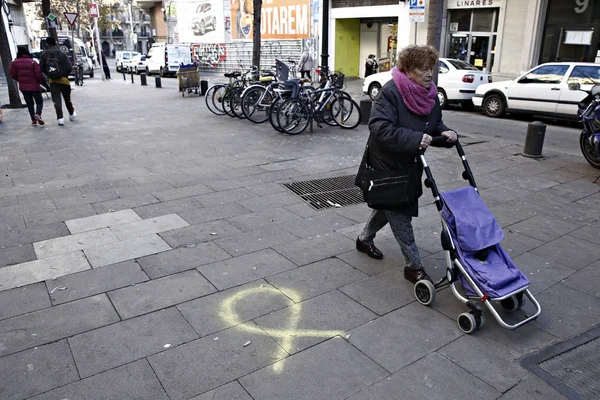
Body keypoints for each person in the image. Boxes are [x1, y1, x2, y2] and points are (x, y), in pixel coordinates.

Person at [355, 45, 457, 284]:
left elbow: (434, 126)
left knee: (388, 206)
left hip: (410, 164)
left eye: (431, 68)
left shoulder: (430, 96)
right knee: (399, 212)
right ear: (408, 70)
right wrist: (414, 139)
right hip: (386, 165)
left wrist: (447, 134)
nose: (429, 74)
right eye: (423, 69)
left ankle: (364, 239)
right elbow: (379, 127)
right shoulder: (391, 92)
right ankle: (413, 266)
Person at [39, 37, 76, 126]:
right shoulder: (62, 54)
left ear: (47, 44)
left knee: (56, 100)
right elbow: (69, 67)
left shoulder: (44, 55)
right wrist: (64, 75)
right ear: (55, 43)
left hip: (53, 81)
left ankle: (60, 118)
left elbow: (41, 68)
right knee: (67, 98)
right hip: (64, 80)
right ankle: (71, 114)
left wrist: (50, 75)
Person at [9, 47, 46, 126]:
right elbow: (38, 74)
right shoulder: (33, 62)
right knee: (39, 101)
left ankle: (33, 120)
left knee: (29, 103)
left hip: (23, 87)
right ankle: (38, 114)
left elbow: (12, 74)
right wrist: (40, 82)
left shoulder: (14, 63)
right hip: (35, 86)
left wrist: (20, 80)